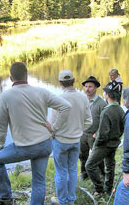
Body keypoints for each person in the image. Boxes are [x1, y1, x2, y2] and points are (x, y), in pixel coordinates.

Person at [0, 62, 71, 205]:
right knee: (39, 181)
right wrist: (54, 128)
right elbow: (66, 106)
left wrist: (0, 146)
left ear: (10, 78)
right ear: (27, 75)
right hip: (45, 144)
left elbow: (1, 125)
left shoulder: (5, 96)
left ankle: (4, 197)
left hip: (25, 147)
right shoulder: (41, 92)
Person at [48, 70, 92, 205]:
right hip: (76, 140)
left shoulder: (58, 98)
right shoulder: (83, 97)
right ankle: (71, 199)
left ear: (60, 83)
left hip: (60, 140)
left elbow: (52, 124)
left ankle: (62, 200)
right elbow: (89, 121)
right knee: (73, 170)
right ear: (74, 80)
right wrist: (78, 130)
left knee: (61, 172)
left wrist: (53, 133)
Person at [85, 81, 125, 196]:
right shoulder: (120, 110)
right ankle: (108, 189)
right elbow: (122, 128)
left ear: (107, 94)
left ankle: (99, 189)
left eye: (104, 92)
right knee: (110, 165)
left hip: (104, 145)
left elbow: (103, 134)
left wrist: (96, 143)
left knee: (89, 165)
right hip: (115, 142)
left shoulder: (106, 111)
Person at [79, 76, 107, 180]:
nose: (87, 89)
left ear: (95, 88)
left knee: (98, 157)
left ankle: (102, 174)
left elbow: (104, 121)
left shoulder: (102, 103)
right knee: (82, 155)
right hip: (82, 133)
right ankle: (84, 174)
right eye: (86, 86)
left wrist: (98, 132)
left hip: (94, 134)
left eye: (90, 87)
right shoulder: (82, 100)